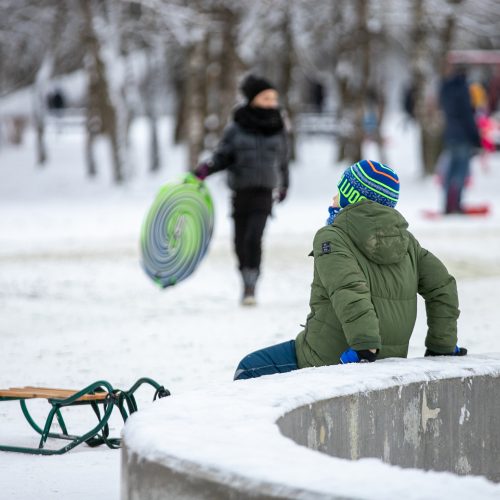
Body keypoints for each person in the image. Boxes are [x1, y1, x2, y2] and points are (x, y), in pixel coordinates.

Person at [234, 160, 467, 380]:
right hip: (386, 358)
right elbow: (443, 286)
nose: (334, 197)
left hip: (331, 356)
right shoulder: (407, 243)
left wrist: (365, 346)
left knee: (249, 368)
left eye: (340, 190)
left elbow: (348, 287)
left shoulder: (332, 237)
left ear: (353, 197)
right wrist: (442, 345)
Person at [195, 74, 289, 306]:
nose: (272, 102)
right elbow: (223, 156)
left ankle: (251, 285)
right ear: (253, 99)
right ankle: (244, 276)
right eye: (266, 97)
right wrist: (205, 170)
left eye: (274, 98)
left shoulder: (278, 128)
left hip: (264, 192)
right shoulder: (236, 128)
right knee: (239, 242)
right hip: (241, 192)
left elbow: (284, 161)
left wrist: (285, 184)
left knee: (253, 237)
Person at [439, 65, 481, 214]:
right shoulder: (463, 90)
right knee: (461, 173)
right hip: (463, 137)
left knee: (450, 172)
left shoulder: (445, 89)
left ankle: (447, 205)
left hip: (449, 135)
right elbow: (467, 116)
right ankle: (456, 205)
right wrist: (476, 137)